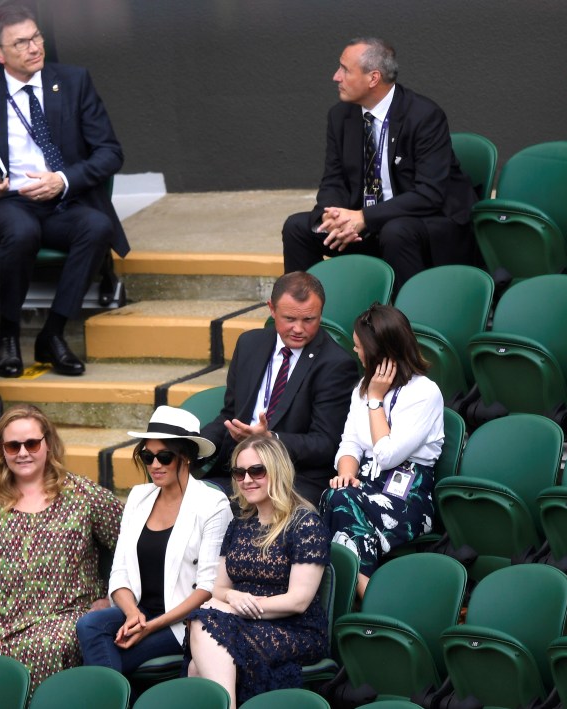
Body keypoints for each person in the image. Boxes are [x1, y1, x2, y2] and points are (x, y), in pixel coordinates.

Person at [0, 3, 128, 378]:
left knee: (96, 227)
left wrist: (63, 180)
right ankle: (9, 334)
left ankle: (53, 334)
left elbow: (110, 153)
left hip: (61, 200)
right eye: (21, 43)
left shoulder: (74, 82)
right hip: (6, 204)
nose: (34, 48)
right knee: (21, 230)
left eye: (37, 37)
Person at [0, 404, 123, 687]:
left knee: (45, 648)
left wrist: (113, 598)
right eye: (13, 446)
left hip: (62, 616)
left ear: (48, 445)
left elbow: (132, 543)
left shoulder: (81, 494)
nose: (23, 452)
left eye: (32, 443)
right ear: (1, 450)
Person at [282, 37, 479, 294]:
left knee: (395, 231)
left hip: (424, 224)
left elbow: (429, 194)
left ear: (373, 78)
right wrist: (331, 216)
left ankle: (405, 324)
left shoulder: (424, 116)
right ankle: (305, 317)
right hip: (369, 225)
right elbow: (334, 178)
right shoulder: (340, 116)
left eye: (345, 70)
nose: (335, 77)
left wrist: (365, 217)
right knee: (298, 227)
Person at [76, 406, 233, 674]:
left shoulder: (213, 504)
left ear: (186, 457)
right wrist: (132, 614)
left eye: (164, 457)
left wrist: (152, 626)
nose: (155, 465)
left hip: (181, 621)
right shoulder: (139, 497)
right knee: (88, 625)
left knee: (108, 656)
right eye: (148, 457)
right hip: (140, 611)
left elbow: (206, 588)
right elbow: (120, 572)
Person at [187, 435, 330, 707]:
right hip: (241, 620)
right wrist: (232, 598)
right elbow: (218, 587)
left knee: (203, 634)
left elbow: (298, 601)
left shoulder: (304, 523)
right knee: (198, 661)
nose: (247, 480)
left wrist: (239, 607)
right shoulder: (240, 524)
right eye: (240, 472)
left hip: (292, 628)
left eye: (257, 470)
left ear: (277, 470)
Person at [200, 271, 359, 505]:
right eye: (289, 319)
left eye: (309, 320)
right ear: (272, 310)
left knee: (221, 506)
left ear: (321, 313)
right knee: (185, 496)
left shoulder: (335, 364)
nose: (298, 329)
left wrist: (270, 439)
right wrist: (194, 447)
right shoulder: (249, 344)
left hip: (292, 478)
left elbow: (326, 443)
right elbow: (230, 414)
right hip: (239, 471)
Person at [320, 303, 444, 598]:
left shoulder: (424, 393)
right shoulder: (362, 387)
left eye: (360, 345)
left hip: (407, 498)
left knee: (339, 505)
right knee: (336, 495)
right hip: (363, 486)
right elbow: (349, 442)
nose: (355, 350)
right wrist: (346, 476)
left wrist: (375, 401)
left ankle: (362, 595)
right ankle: (368, 594)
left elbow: (387, 455)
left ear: (379, 351)